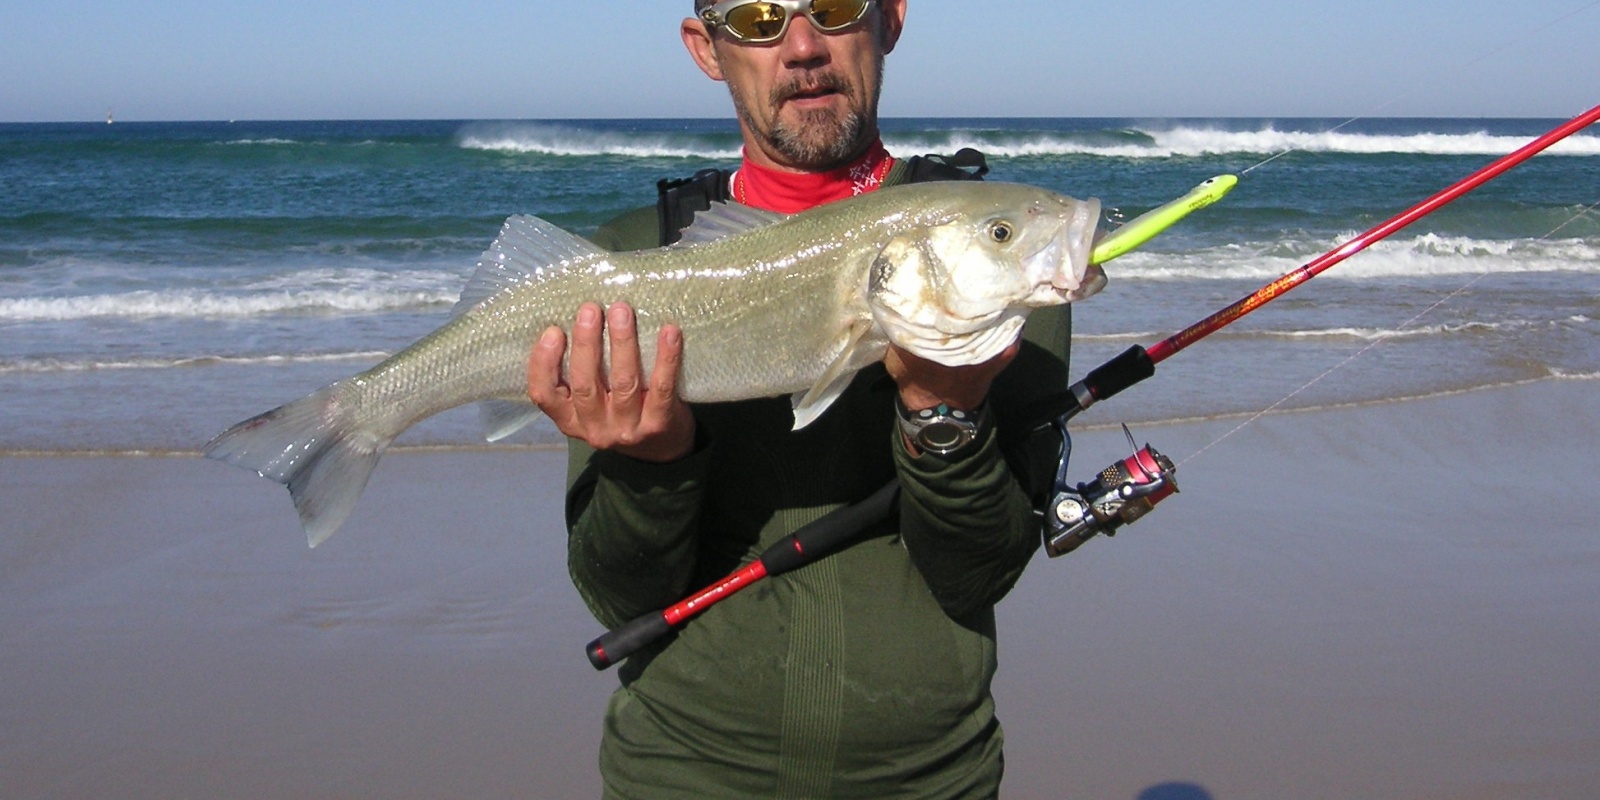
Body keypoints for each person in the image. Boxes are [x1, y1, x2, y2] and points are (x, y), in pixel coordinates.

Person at [526, 1, 1074, 796]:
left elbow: (980, 572)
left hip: (930, 777)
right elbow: (619, 595)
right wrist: (651, 464)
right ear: (706, 49)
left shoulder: (998, 256)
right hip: (681, 774)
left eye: (837, 7)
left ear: (889, 21)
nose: (805, 48)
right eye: (757, 18)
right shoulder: (622, 264)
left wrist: (942, 417)